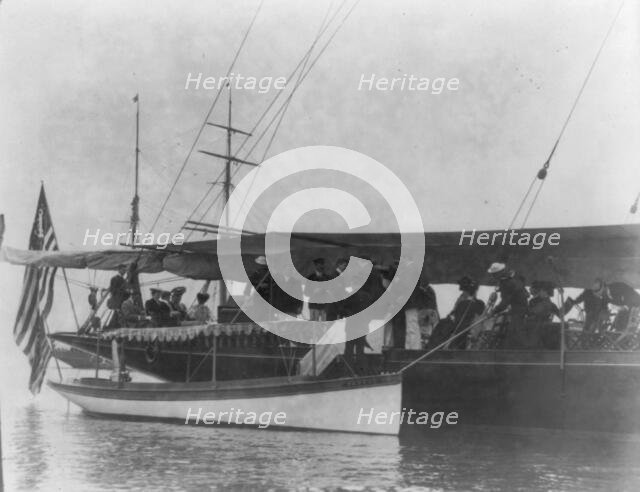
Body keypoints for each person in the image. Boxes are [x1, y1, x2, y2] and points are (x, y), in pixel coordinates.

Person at [488, 262, 529, 348]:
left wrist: (494, 312)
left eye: (494, 275)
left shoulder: (506, 283)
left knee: (515, 331)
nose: (493, 277)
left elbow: (504, 302)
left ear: (498, 274)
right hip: (520, 307)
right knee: (515, 330)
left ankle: (522, 350)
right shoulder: (511, 279)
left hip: (518, 310)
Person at [447, 276, 485, 349]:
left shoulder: (465, 301)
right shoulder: (473, 301)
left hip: (463, 329)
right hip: (465, 327)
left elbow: (457, 313)